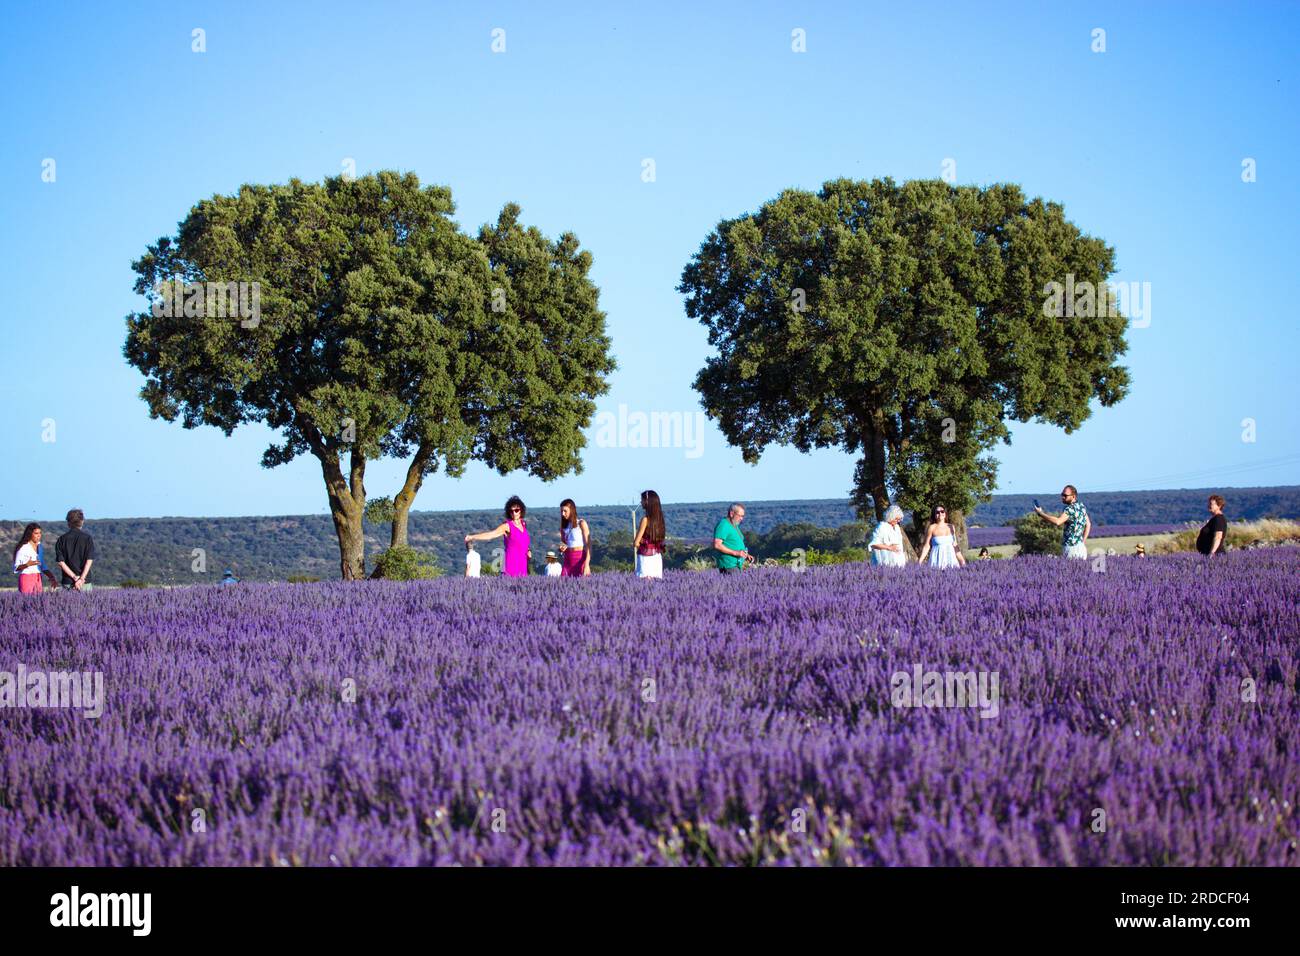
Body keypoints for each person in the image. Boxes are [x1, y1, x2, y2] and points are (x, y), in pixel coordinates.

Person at [465, 496, 531, 578]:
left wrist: (528, 550)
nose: (514, 513)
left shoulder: (523, 524)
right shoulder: (507, 526)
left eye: (516, 510)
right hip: (510, 564)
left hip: (522, 563)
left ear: (521, 510)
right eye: (511, 511)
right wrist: (472, 537)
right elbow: (492, 534)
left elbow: (523, 542)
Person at [1034, 485, 1090, 559]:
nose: (1062, 497)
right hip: (1081, 548)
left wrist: (1041, 514)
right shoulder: (1081, 506)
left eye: (1065, 495)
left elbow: (1058, 522)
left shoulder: (1070, 509)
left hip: (1071, 548)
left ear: (1073, 496)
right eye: (1062, 495)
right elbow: (1088, 524)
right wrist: (1083, 541)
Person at [55, 508, 95, 591]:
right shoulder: (87, 538)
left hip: (68, 581)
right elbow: (89, 561)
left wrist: (75, 578)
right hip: (84, 582)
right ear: (82, 521)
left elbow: (61, 563)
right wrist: (81, 579)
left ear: (68, 522)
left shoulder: (61, 539)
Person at [633, 490, 667, 579]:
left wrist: (643, 546)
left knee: (644, 583)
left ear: (647, 502)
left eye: (642, 500)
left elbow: (636, 543)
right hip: (657, 557)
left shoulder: (645, 520)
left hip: (645, 558)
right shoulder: (660, 521)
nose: (641, 502)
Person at [713, 503, 753, 574]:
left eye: (743, 516)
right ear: (731, 513)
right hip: (728, 566)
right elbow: (717, 545)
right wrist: (736, 553)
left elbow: (733, 543)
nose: (741, 519)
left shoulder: (734, 525)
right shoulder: (723, 525)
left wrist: (745, 555)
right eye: (740, 516)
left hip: (736, 565)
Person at [557, 499, 591, 577]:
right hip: (568, 560)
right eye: (561, 511)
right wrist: (561, 548)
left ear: (572, 510)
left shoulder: (581, 523)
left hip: (580, 559)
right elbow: (563, 544)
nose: (562, 513)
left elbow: (588, 546)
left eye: (565, 511)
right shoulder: (563, 527)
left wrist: (587, 564)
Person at [12, 524, 48, 594]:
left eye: (40, 533)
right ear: (30, 534)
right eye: (36, 533)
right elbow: (16, 568)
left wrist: (51, 577)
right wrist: (27, 564)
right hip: (27, 578)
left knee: (38, 602)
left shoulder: (39, 546)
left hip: (38, 578)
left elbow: (42, 565)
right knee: (27, 601)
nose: (39, 535)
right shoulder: (23, 548)